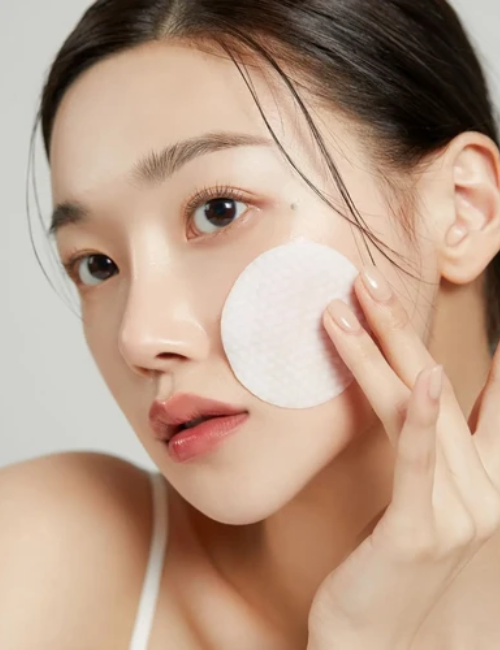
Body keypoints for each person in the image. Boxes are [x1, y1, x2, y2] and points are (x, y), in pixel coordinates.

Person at [2, 0, 500, 647]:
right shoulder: (42, 561)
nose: (141, 338)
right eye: (97, 265)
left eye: (218, 211)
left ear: (463, 209)